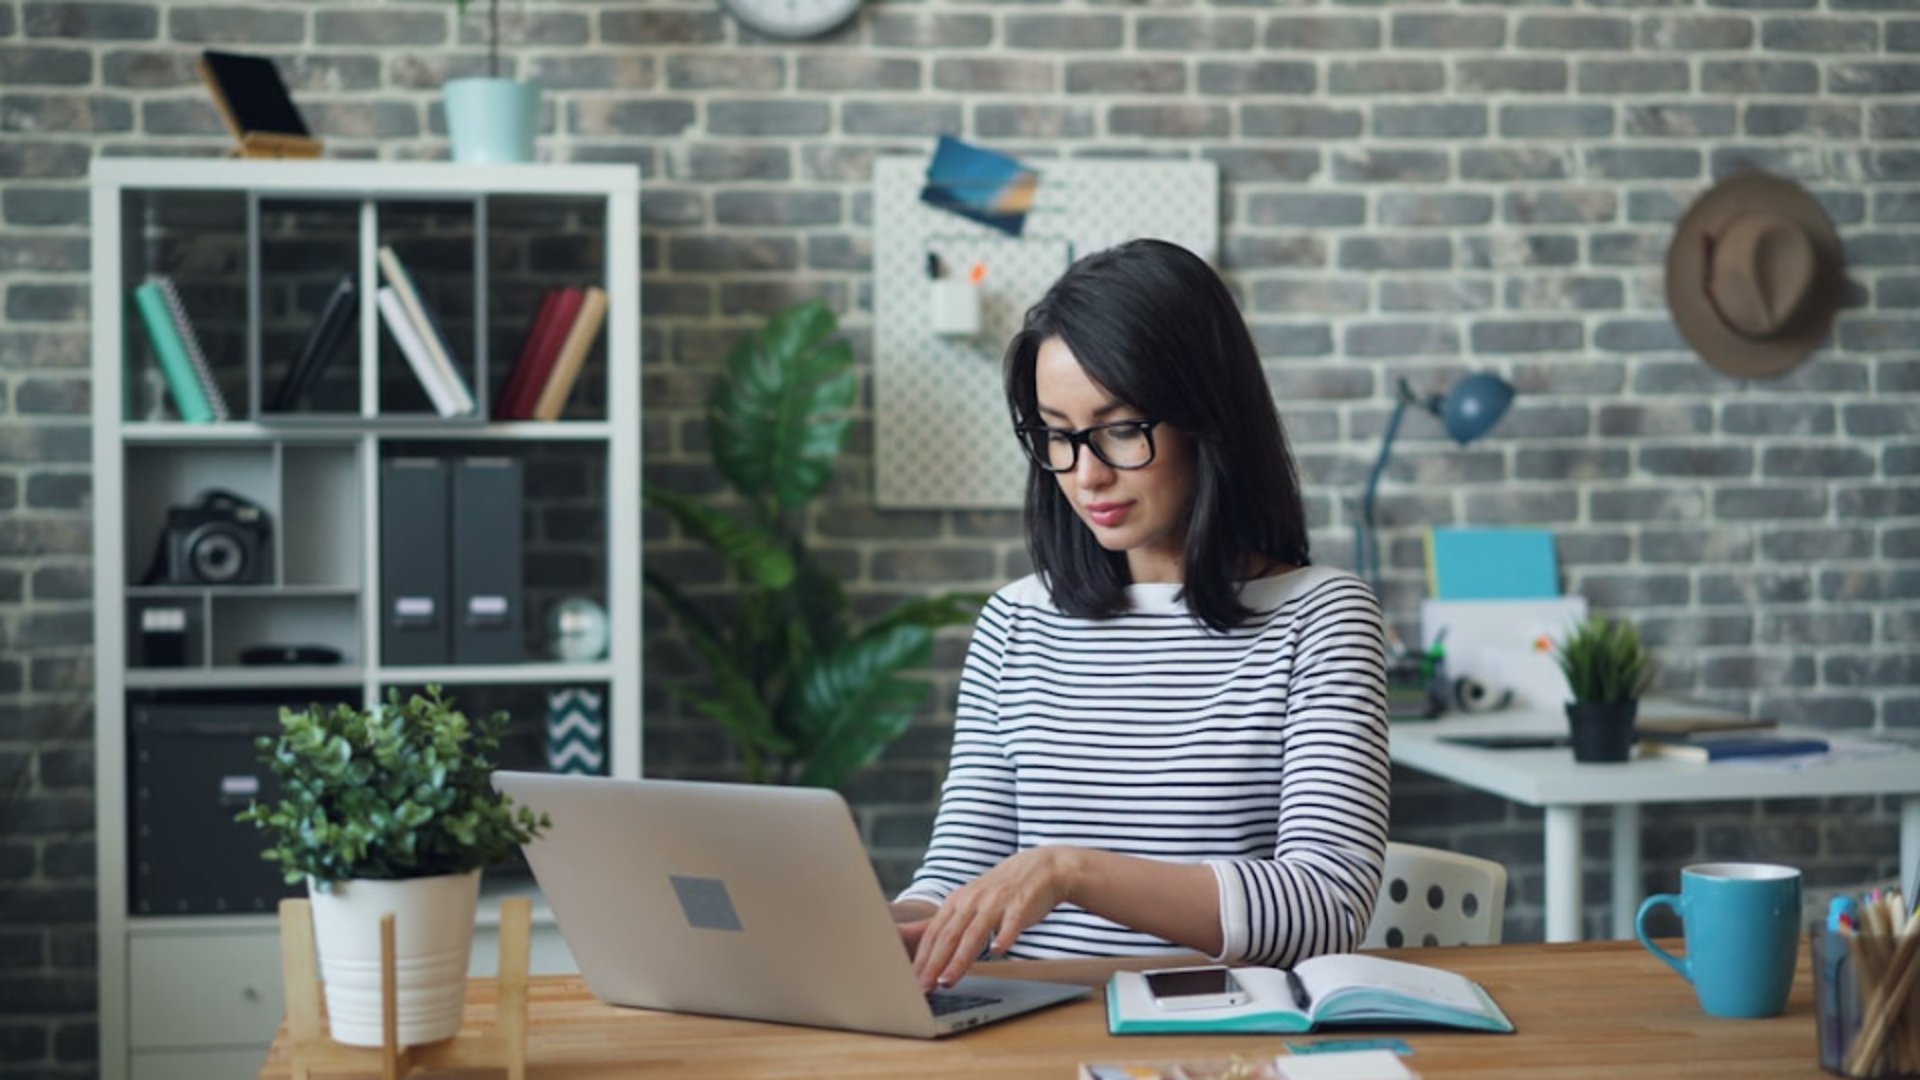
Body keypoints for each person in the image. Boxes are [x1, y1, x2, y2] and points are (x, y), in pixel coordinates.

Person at [891, 238, 1390, 993]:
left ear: (1207, 420)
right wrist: (891, 934)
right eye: (1057, 435)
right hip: (1025, 1031)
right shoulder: (1016, 621)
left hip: (1219, 1036)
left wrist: (1069, 870)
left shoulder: (1319, 618)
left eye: (1120, 429)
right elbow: (962, 866)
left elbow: (1325, 906)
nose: (1086, 474)